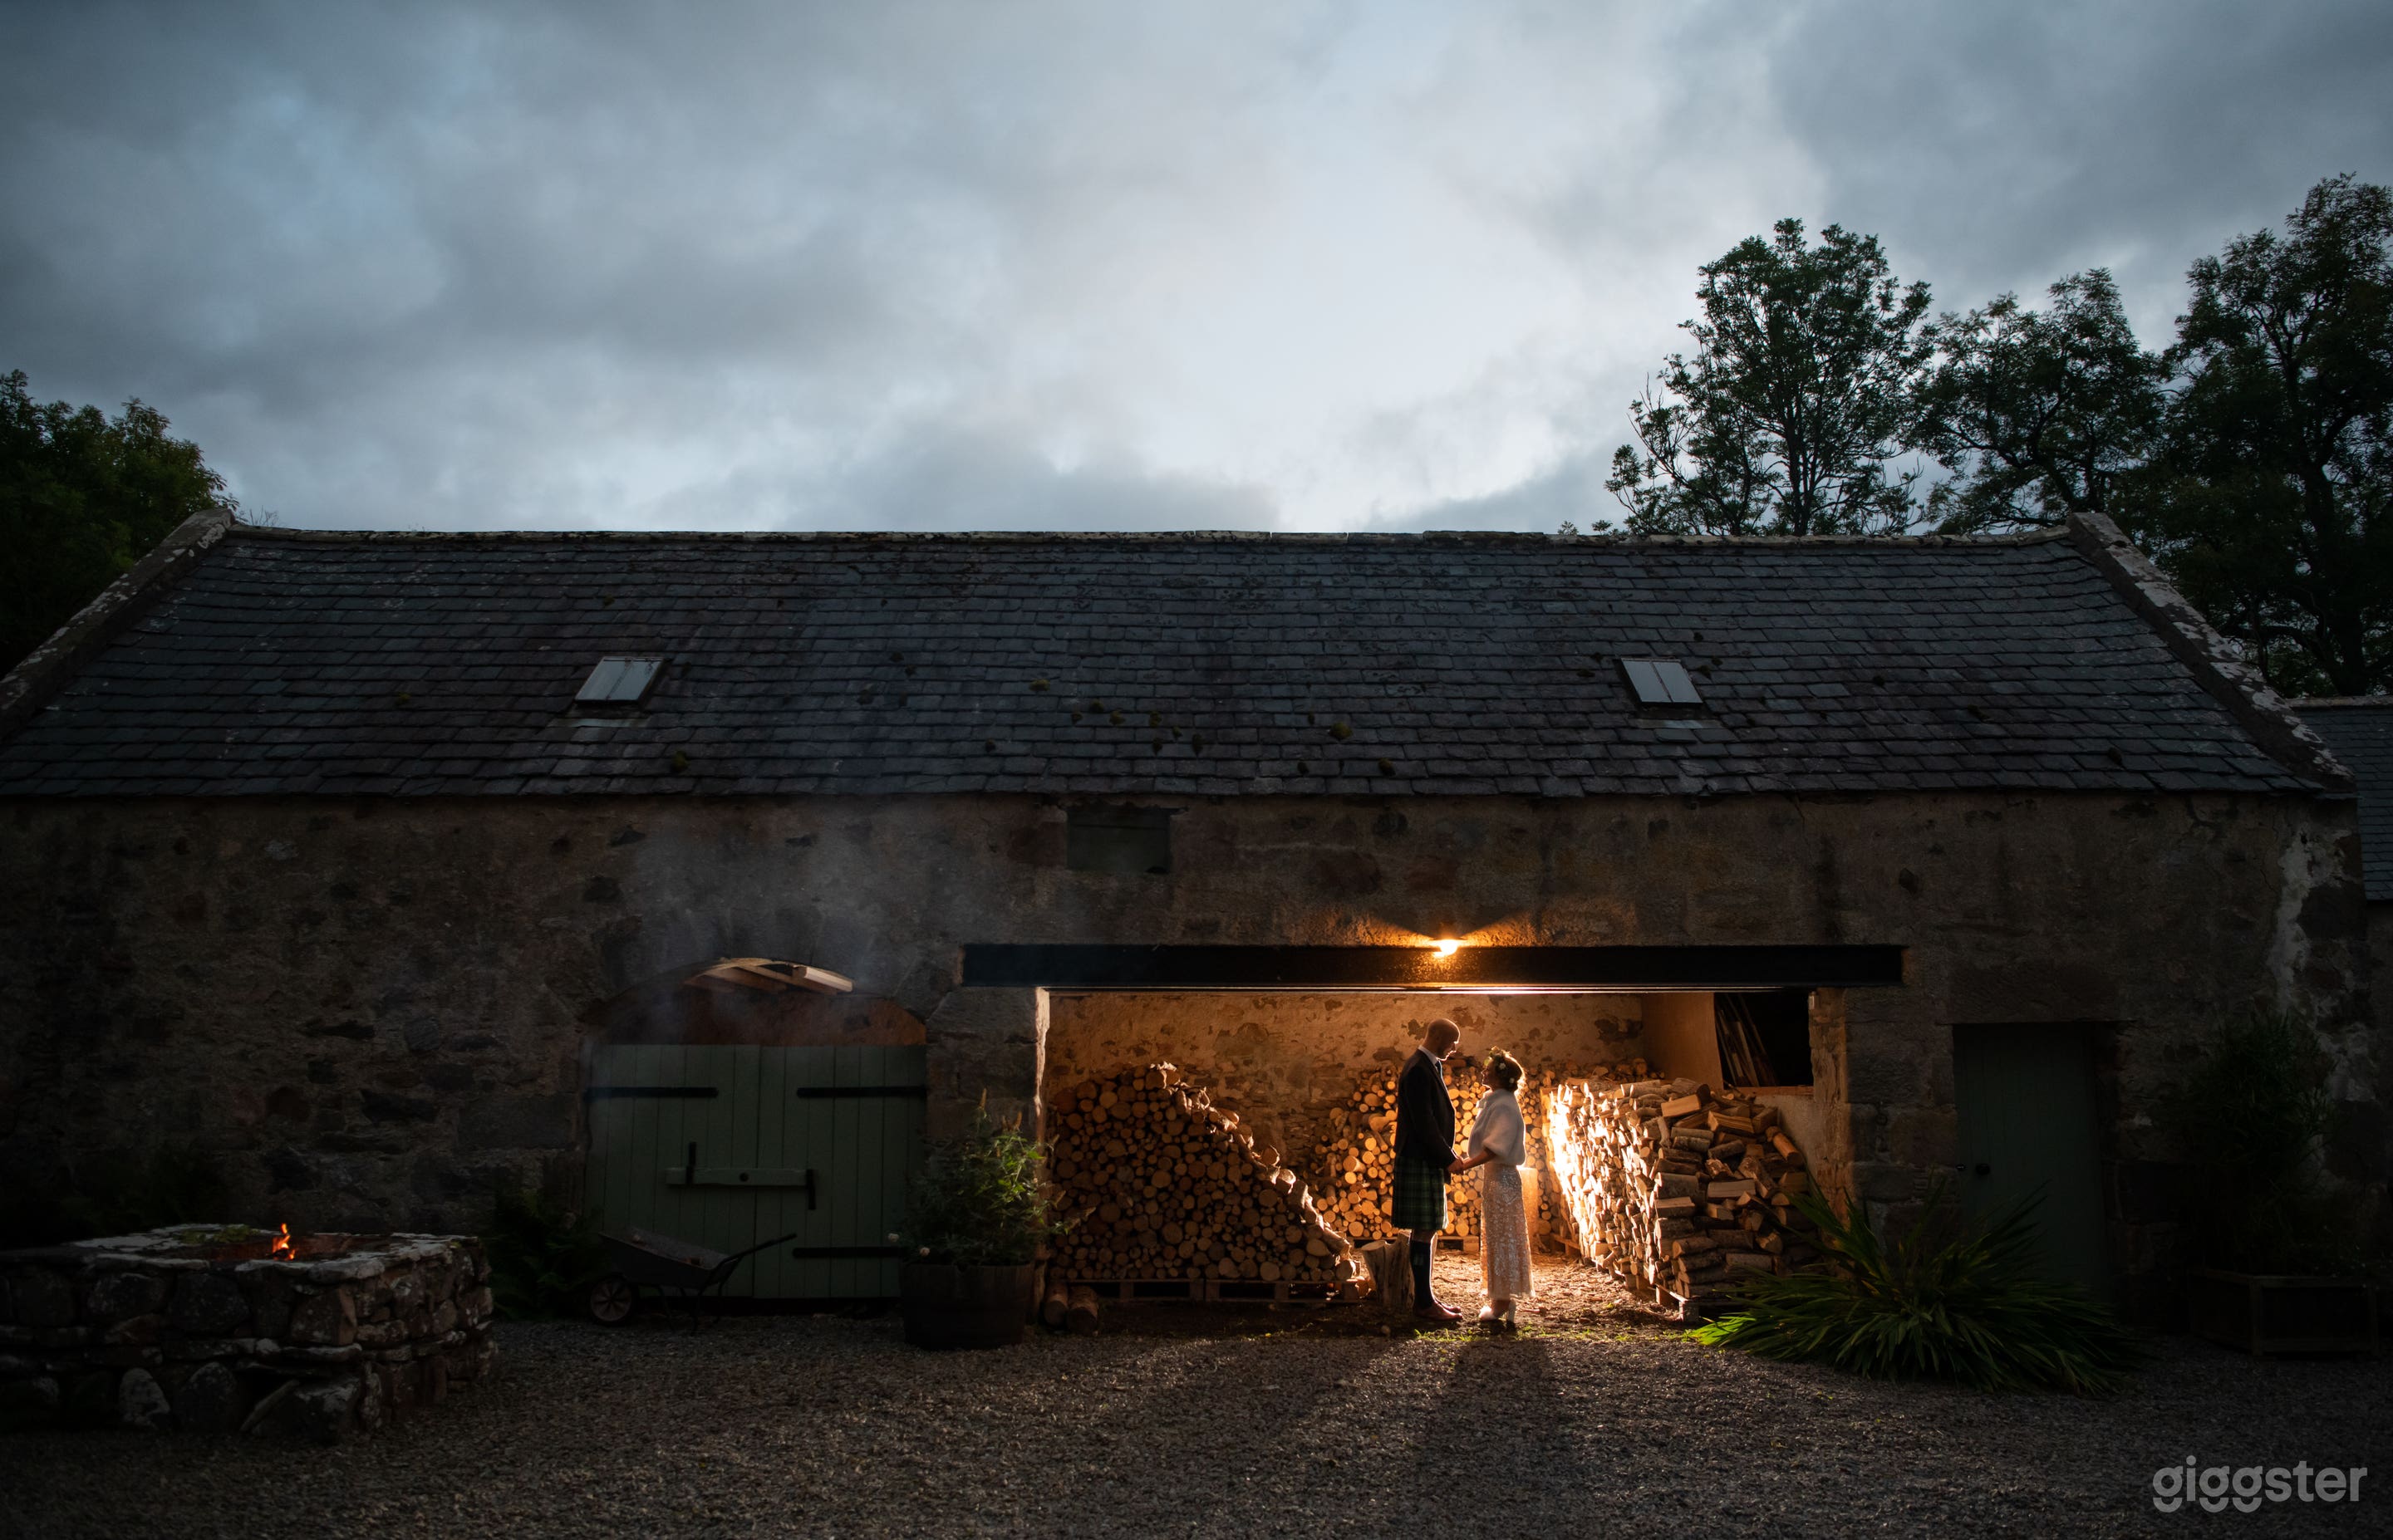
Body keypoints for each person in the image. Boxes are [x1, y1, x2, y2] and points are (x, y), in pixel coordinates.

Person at [1450, 1047, 1534, 1329]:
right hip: (1495, 1179)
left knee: (1504, 1238)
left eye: (1488, 1069)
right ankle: (1501, 1298)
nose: (1482, 1071)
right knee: (1497, 1237)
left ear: (1500, 1076)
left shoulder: (1504, 1105)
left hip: (1503, 1180)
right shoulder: (1496, 1101)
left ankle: (1503, 1301)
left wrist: (1467, 1164)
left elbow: (1494, 1148)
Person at [1393, 1017, 1466, 1324]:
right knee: (1424, 1230)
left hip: (1425, 1157)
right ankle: (1423, 1303)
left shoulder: (1426, 1065)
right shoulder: (1418, 1069)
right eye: (1453, 1042)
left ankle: (1426, 1297)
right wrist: (1447, 1157)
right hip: (1421, 1157)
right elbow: (1424, 1122)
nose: (1454, 1048)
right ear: (1437, 1037)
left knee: (1427, 1229)